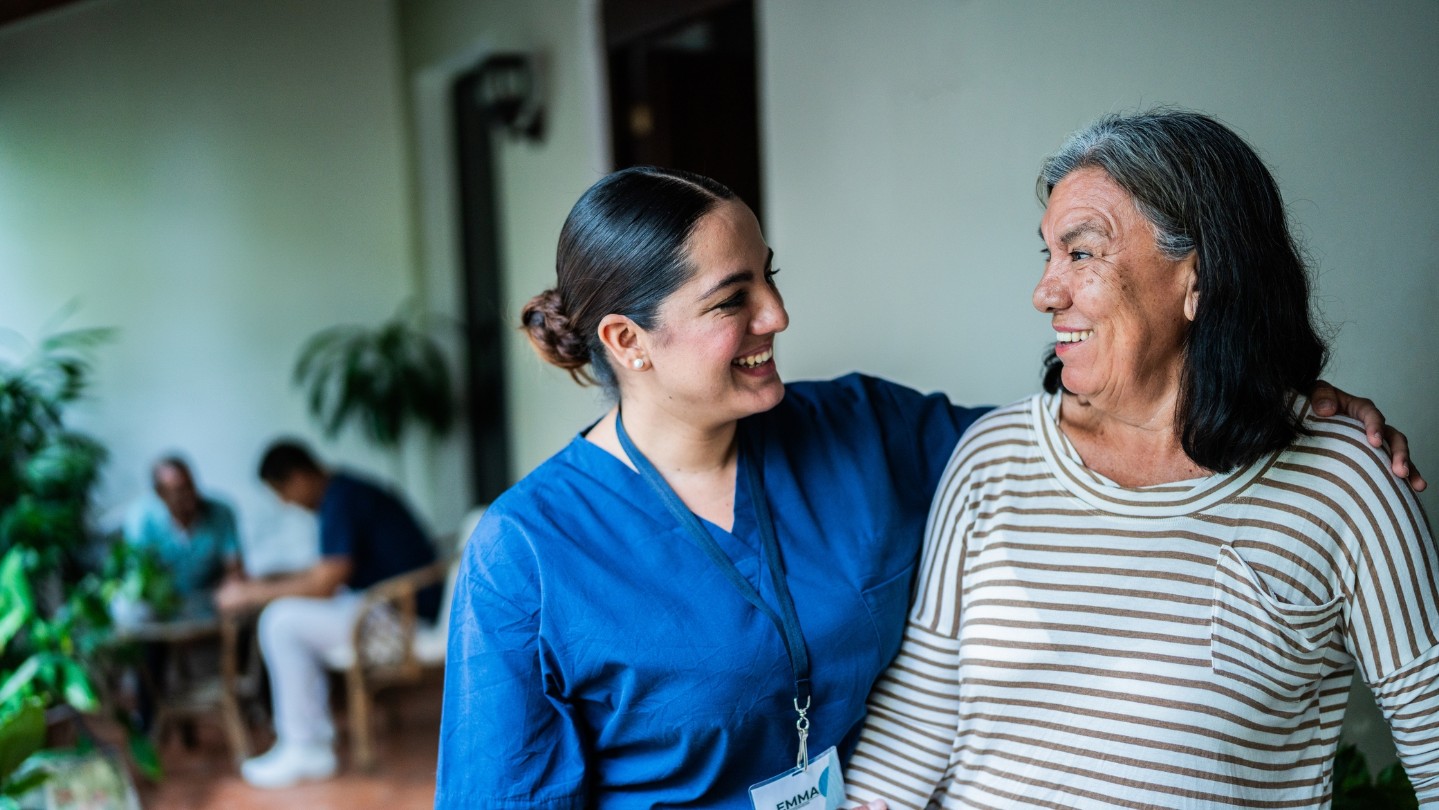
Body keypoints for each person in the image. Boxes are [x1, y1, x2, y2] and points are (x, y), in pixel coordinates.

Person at [435, 167, 1420, 809]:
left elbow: (1089, 443)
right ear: (625, 341)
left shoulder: (866, 429)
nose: (778, 312)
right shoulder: (525, 553)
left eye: (767, 276)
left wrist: (1266, 392)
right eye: (732, 300)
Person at [843, 111, 1438, 808]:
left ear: (1200, 276)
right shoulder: (992, 457)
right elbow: (919, 714)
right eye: (1047, 255)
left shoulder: (1344, 484)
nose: (1044, 293)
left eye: (1082, 253)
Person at [215, 439, 439, 789]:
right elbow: (326, 573)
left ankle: (306, 747)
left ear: (299, 476)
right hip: (382, 604)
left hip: (400, 613)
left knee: (282, 622)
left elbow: (325, 583)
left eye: (282, 490)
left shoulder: (341, 499)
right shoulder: (345, 491)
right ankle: (308, 740)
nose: (285, 502)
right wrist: (271, 580)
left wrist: (250, 593)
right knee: (285, 616)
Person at [122, 455, 244, 615]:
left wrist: (231, 587)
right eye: (179, 491)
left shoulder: (221, 512)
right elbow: (138, 573)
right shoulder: (140, 519)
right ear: (160, 495)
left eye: (190, 486)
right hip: (163, 600)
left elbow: (234, 566)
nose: (188, 495)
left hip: (210, 595)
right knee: (127, 609)